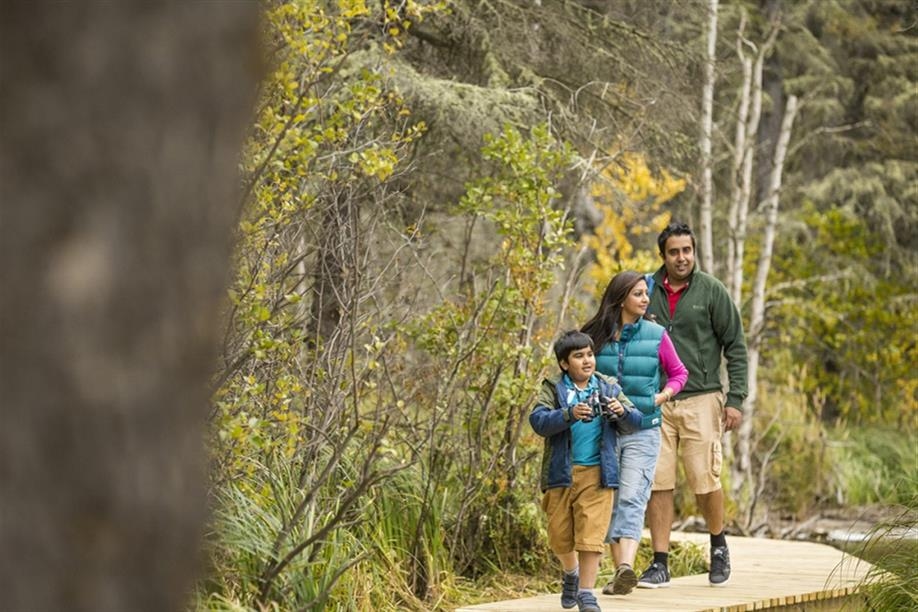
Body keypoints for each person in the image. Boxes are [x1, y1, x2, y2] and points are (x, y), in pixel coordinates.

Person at [637, 222, 748, 589]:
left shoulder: (711, 291)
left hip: (702, 397)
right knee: (658, 481)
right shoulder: (646, 292)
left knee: (704, 478)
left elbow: (735, 346)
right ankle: (660, 562)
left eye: (687, 250)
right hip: (656, 400)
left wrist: (735, 399)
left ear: (694, 251)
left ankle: (718, 546)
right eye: (674, 252)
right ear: (663, 256)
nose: (681, 257)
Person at [580, 270, 688, 596]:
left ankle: (625, 566)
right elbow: (577, 372)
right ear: (621, 297)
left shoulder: (656, 334)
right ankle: (620, 573)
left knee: (632, 497)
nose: (645, 299)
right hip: (603, 431)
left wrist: (663, 396)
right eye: (638, 294)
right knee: (609, 501)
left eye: (646, 293)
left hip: (643, 429)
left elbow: (679, 373)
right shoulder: (594, 335)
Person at [530, 330, 642, 612]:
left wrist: (621, 412)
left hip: (598, 473)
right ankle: (571, 573)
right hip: (561, 473)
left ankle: (586, 593)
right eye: (578, 356)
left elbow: (635, 421)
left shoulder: (608, 387)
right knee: (559, 536)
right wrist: (568, 414)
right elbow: (538, 421)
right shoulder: (554, 389)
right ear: (564, 364)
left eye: (589, 354)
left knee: (591, 536)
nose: (587, 360)